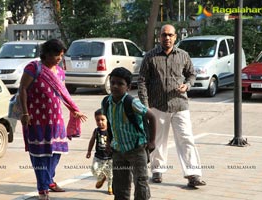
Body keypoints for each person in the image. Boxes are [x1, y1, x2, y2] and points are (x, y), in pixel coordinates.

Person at [138, 24, 206, 188]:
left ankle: (193, 174)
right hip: (157, 106)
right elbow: (142, 82)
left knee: (186, 138)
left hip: (180, 104)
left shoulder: (183, 55)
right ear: (159, 37)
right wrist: (145, 107)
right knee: (158, 139)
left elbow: (191, 74)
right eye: (164, 35)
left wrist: (187, 85)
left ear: (175, 37)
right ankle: (157, 170)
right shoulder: (150, 57)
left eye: (170, 35)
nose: (167, 38)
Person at [19, 39, 87, 200]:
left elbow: (63, 94)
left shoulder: (60, 72)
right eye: (57, 54)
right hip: (36, 119)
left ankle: (48, 180)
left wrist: (73, 110)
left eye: (61, 55)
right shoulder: (33, 68)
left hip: (56, 119)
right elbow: (22, 89)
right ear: (47, 54)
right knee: (39, 154)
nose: (59, 58)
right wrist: (25, 113)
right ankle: (43, 188)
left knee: (56, 151)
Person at [103, 67, 156, 200]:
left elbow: (152, 117)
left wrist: (152, 141)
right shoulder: (106, 102)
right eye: (112, 82)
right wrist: (109, 142)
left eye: (120, 84)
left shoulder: (132, 102)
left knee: (140, 181)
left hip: (137, 149)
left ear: (128, 87)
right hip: (118, 150)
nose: (115, 86)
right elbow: (109, 124)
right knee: (120, 184)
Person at [86, 109, 113, 195]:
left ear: (107, 119)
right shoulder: (96, 131)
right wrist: (89, 151)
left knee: (110, 174)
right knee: (94, 169)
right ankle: (101, 178)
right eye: (97, 120)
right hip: (98, 156)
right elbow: (92, 140)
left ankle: (110, 187)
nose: (100, 122)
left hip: (110, 157)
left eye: (102, 119)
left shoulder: (111, 130)